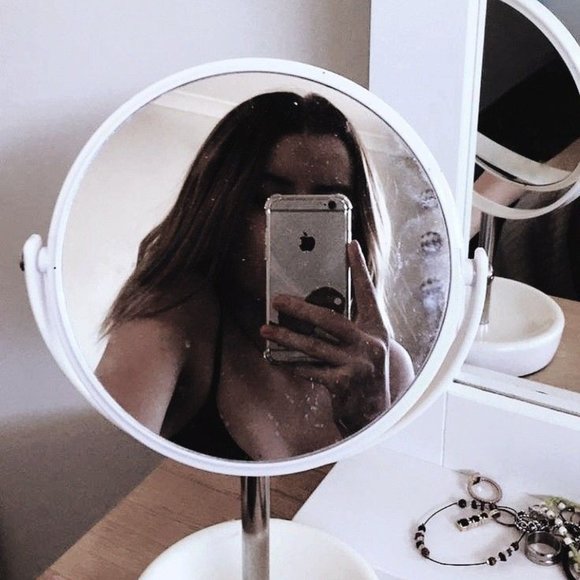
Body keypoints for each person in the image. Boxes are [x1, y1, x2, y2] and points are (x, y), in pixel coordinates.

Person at [96, 91, 415, 461]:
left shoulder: (386, 366)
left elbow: (386, 492)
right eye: (267, 200)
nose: (298, 232)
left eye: (326, 208)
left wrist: (367, 416)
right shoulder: (176, 324)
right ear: (221, 209)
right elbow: (104, 474)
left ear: (356, 223)